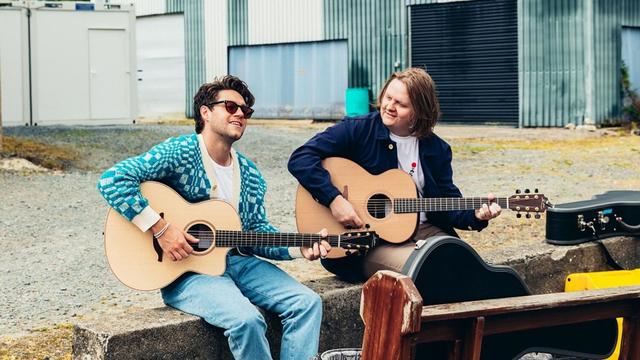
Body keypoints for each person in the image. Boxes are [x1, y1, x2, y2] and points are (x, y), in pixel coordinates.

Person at [98, 75, 331, 360]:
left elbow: (256, 232)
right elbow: (113, 179)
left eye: (245, 111)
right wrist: (160, 228)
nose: (240, 114)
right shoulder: (181, 152)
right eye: (230, 107)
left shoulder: (251, 174)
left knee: (306, 303)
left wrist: (298, 247)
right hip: (188, 271)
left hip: (238, 262)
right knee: (247, 321)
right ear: (205, 112)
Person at [287, 67, 501, 282]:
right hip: (367, 242)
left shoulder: (437, 149)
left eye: (401, 104)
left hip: (425, 232)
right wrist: (334, 199)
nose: (390, 106)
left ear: (420, 110)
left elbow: (448, 202)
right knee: (428, 269)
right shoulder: (358, 129)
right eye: (388, 97)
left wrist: (476, 215)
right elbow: (301, 158)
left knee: (468, 265)